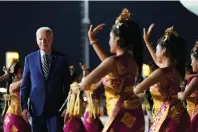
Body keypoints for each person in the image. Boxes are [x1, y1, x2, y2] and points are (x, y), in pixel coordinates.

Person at [80, 8, 145, 132]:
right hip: (135, 114)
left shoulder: (113, 62)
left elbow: (86, 82)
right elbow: (110, 64)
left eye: (110, 38)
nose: (109, 42)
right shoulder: (132, 60)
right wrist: (93, 42)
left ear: (117, 40)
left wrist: (82, 83)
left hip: (119, 116)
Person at [134, 24, 190, 131]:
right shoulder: (176, 70)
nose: (155, 52)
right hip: (180, 116)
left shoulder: (160, 72)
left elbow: (138, 89)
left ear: (164, 51)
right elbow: (158, 61)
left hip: (166, 119)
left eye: (156, 49)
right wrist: (147, 42)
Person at [20, 27, 71, 132]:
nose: (43, 42)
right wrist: (24, 107)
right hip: (36, 111)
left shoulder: (62, 59)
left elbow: (68, 86)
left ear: (52, 40)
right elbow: (25, 86)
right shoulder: (29, 59)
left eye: (47, 39)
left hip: (56, 111)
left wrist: (67, 107)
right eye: (40, 39)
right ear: (36, 40)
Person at [3, 60, 31, 132]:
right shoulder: (12, 86)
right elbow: (23, 81)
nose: (23, 74)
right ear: (15, 75)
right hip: (13, 118)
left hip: (22, 118)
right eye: (21, 72)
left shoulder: (25, 86)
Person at [178, 41, 198, 131]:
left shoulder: (196, 79)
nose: (191, 63)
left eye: (192, 60)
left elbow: (184, 96)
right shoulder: (194, 78)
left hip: (195, 116)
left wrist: (173, 93)